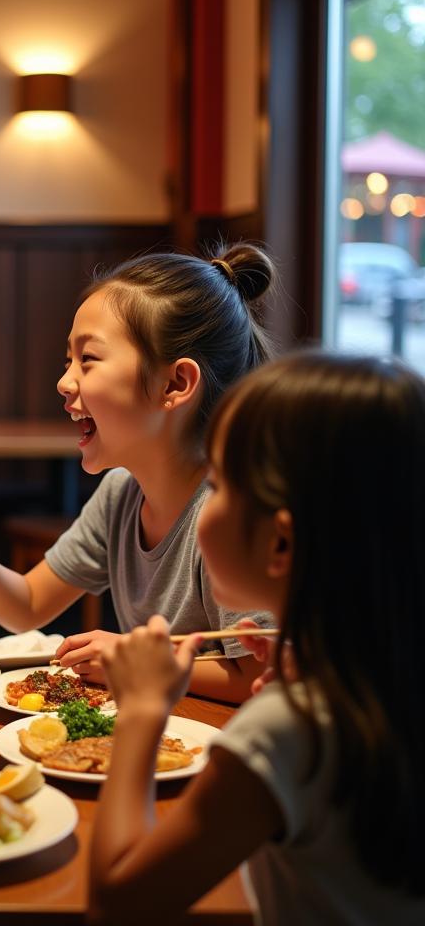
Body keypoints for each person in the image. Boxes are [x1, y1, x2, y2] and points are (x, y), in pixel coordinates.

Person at [88, 352, 425, 924]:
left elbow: (119, 904)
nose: (204, 504)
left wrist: (142, 712)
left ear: (280, 543)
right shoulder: (380, 686)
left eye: (217, 484)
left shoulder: (287, 732)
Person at [0, 245, 275, 702]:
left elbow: (259, 680)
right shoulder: (121, 494)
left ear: (175, 384)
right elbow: (27, 606)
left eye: (88, 360)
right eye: (67, 360)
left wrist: (138, 661)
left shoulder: (228, 511)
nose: (64, 381)